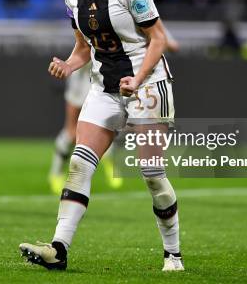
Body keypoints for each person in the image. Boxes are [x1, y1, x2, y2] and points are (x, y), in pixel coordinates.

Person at [20, 0, 184, 272]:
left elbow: (156, 39)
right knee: (79, 164)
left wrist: (138, 79)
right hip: (104, 88)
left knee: (152, 174)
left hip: (149, 84)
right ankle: (58, 249)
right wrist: (67, 63)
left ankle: (172, 253)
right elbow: (82, 48)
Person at [49, 33, 179, 194]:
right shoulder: (84, 9)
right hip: (84, 74)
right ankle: (56, 171)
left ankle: (109, 158)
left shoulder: (140, 12)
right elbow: (82, 41)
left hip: (116, 75)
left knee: (118, 123)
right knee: (72, 130)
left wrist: (159, 41)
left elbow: (165, 40)